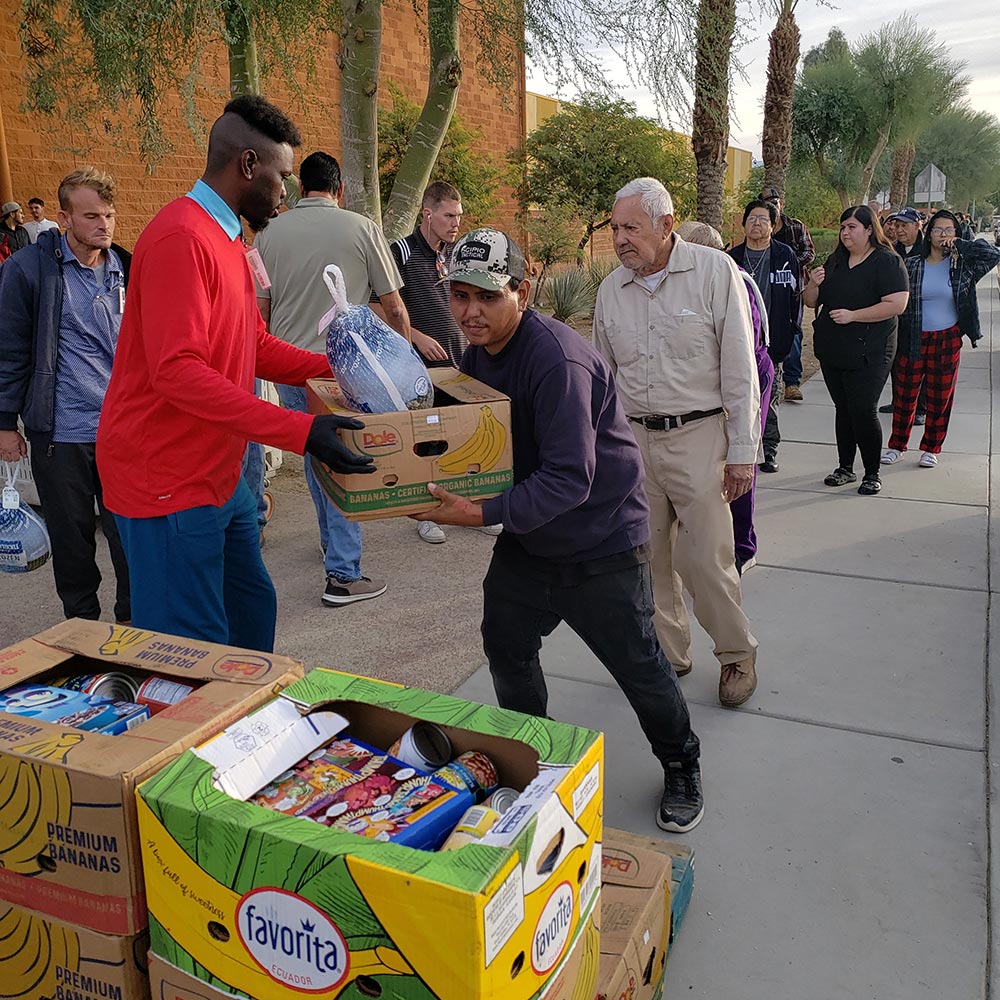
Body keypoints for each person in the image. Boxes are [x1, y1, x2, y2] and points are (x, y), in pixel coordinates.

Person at [411, 227, 704, 833]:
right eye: (459, 296)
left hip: (602, 544)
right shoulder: (477, 352)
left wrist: (481, 513)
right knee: (507, 645)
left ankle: (682, 762)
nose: (470, 311)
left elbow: (571, 478)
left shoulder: (557, 360)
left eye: (487, 297)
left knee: (639, 667)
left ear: (523, 289)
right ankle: (533, 758)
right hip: (531, 542)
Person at [96, 96, 377, 652]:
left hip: (220, 476)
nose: (286, 193)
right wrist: (300, 433)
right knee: (191, 652)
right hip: (167, 482)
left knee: (251, 618)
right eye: (282, 178)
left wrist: (346, 369)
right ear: (248, 165)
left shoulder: (230, 239)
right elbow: (178, 372)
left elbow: (252, 344)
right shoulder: (182, 236)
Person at [594, 177, 761, 709]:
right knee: (647, 557)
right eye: (616, 228)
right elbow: (601, 376)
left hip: (701, 437)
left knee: (706, 559)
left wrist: (742, 451)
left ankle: (737, 654)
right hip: (635, 441)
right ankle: (671, 653)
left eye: (630, 228)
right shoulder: (610, 290)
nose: (620, 239)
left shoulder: (714, 273)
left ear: (666, 226)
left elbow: (740, 368)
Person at [254, 150, 400, 606]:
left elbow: (259, 311)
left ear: (300, 188)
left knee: (317, 457)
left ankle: (331, 544)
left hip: (286, 366)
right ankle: (343, 572)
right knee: (343, 461)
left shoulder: (268, 234)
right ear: (338, 190)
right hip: (343, 371)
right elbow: (394, 306)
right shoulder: (361, 228)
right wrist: (399, 361)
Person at [0, 167, 131, 623]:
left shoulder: (125, 268)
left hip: (123, 434)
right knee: (73, 543)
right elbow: (10, 348)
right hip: (61, 435)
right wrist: (4, 423)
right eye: (92, 215)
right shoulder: (27, 270)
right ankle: (83, 630)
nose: (104, 225)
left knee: (129, 538)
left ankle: (134, 627)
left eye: (110, 215)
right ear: (64, 218)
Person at [383, 180, 502, 546]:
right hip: (420, 370)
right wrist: (416, 337)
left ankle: (478, 507)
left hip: (462, 364)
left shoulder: (456, 255)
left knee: (469, 436)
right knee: (430, 442)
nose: (455, 223)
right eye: (449, 215)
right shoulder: (400, 252)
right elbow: (379, 308)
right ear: (427, 214)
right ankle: (429, 515)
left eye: (459, 216)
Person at [677, 220, 771, 576]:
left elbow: (738, 353)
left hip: (743, 378)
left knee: (738, 462)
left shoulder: (734, 281)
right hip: (708, 381)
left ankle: (742, 546)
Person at [803, 205, 909, 496]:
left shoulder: (887, 262)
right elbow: (811, 302)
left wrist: (854, 315)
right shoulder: (836, 261)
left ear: (869, 230)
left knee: (863, 409)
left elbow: (897, 305)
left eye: (852, 227)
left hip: (872, 350)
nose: (845, 232)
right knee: (844, 409)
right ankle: (845, 468)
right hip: (834, 348)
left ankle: (872, 472)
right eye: (843, 227)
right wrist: (812, 283)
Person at [882, 210, 1000, 468]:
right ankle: (897, 445)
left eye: (949, 230)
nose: (943, 235)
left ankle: (931, 447)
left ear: (956, 234)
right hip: (913, 336)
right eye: (938, 230)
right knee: (905, 395)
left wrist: (960, 244)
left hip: (947, 339)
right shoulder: (913, 264)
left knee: (940, 396)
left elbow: (993, 255)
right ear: (928, 232)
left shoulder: (962, 265)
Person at [727, 199, 802, 477]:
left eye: (763, 219)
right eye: (752, 218)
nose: (757, 223)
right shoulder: (731, 259)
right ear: (743, 223)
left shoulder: (785, 255)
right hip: (737, 341)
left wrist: (790, 331)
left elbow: (795, 299)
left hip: (771, 342)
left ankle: (768, 449)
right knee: (741, 397)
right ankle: (742, 448)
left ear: (772, 226)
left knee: (769, 397)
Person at [759, 186, 814, 400]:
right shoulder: (760, 226)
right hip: (765, 288)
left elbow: (809, 251)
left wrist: (789, 264)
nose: (774, 205)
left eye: (776, 201)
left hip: (793, 288)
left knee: (794, 330)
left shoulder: (796, 226)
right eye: (769, 202)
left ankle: (792, 382)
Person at [881, 207, 926, 421]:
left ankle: (920, 408)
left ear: (918, 226)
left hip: (920, 315)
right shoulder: (892, 250)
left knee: (918, 363)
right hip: (897, 315)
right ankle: (899, 401)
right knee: (897, 362)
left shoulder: (928, 249)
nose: (899, 230)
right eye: (896, 225)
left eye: (904, 225)